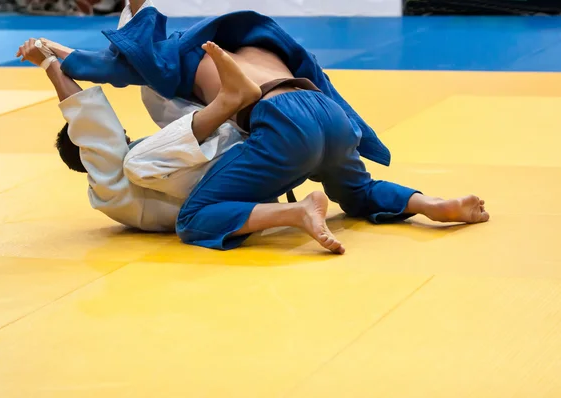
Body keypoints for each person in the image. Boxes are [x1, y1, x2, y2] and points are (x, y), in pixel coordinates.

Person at [38, 2, 489, 254]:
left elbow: (112, 67)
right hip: (323, 110)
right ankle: (432, 203)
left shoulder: (172, 64)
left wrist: (54, 60)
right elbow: (127, 54)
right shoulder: (256, 42)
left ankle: (295, 212)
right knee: (359, 193)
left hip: (281, 129)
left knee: (191, 219)